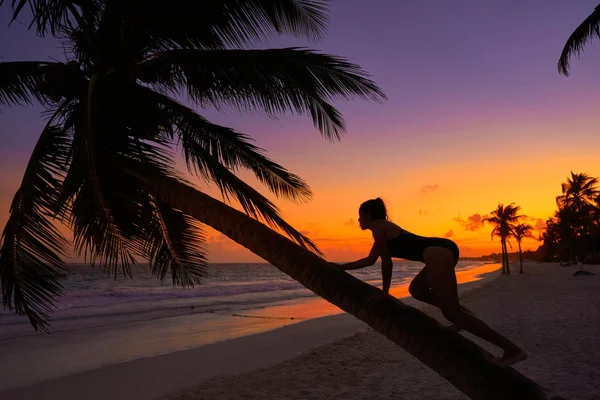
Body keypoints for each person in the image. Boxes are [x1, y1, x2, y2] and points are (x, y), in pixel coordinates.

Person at [331, 197, 527, 367]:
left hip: (436, 252)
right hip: (439, 251)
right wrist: (341, 268)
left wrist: (385, 293)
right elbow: (370, 260)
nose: (358, 220)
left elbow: (386, 264)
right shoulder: (382, 230)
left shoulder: (379, 226)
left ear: (367, 214)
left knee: (451, 313)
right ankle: (462, 314)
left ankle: (511, 349)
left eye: (359, 215)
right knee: (417, 289)